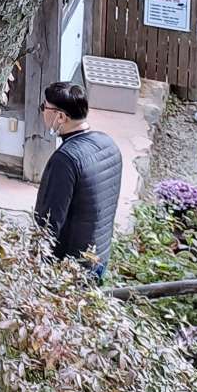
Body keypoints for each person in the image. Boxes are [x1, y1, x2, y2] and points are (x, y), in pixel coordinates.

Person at [34, 80, 123, 279]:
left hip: (71, 268)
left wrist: (36, 266)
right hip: (99, 256)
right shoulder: (108, 143)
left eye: (44, 107)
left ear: (61, 116)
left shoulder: (65, 160)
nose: (42, 112)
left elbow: (48, 221)